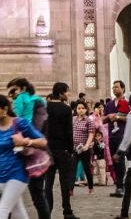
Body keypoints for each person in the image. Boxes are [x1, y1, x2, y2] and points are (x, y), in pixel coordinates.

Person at [0, 93, 47, 219]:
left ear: (5, 109)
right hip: (2, 175)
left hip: (18, 173)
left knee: (1, 212)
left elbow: (44, 142)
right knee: (17, 212)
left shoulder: (20, 123)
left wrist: (26, 142)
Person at [39, 82, 77, 219]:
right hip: (62, 150)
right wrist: (71, 150)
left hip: (48, 150)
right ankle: (67, 212)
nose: (68, 95)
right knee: (64, 182)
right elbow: (69, 132)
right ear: (61, 93)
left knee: (48, 183)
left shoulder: (44, 108)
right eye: (67, 92)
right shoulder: (66, 109)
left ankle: (47, 212)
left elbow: (41, 129)